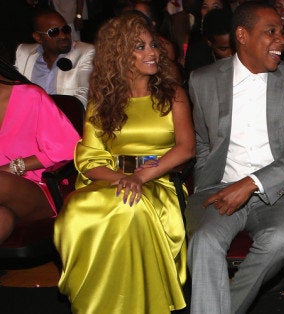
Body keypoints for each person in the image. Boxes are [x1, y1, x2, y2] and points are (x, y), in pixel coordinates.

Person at [186, 2, 284, 314]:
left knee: (279, 241)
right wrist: (208, 184)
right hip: (217, 187)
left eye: (283, 32)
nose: (282, 40)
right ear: (243, 36)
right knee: (204, 242)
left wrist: (251, 184)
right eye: (270, 32)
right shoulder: (202, 80)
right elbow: (203, 143)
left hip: (275, 191)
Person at [54, 12, 195, 314]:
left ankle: (141, 304)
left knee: (131, 206)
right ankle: (96, 302)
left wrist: (141, 178)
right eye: (140, 47)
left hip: (159, 181)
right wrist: (122, 178)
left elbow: (185, 149)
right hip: (110, 179)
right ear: (119, 54)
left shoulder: (172, 95)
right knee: (76, 211)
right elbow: (90, 157)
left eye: (153, 45)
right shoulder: (101, 100)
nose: (153, 53)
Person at [0, 57, 79, 244]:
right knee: (3, 219)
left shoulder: (30, 96)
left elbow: (69, 147)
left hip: (39, 188)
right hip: (6, 203)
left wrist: (13, 167)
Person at [14, 9, 95, 107]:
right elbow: (14, 91)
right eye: (54, 32)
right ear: (38, 37)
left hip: (64, 118)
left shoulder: (84, 52)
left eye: (65, 29)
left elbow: (84, 94)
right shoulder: (24, 52)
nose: (63, 36)